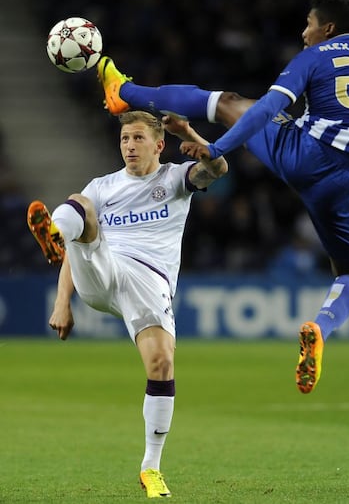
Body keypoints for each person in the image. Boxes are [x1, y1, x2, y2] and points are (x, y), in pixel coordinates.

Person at [96, 0, 349, 395]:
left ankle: (125, 92)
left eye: (309, 24)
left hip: (306, 156)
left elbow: (263, 111)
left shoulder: (316, 56)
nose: (303, 32)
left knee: (227, 103)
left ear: (327, 28)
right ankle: (320, 329)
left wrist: (217, 147)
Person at [27, 111, 228, 498]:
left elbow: (217, 167)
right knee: (82, 207)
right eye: (124, 140)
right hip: (103, 270)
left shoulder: (174, 178)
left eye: (137, 139)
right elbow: (77, 250)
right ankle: (54, 229)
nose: (129, 146)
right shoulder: (103, 185)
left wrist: (188, 130)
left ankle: (151, 468)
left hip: (149, 280)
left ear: (158, 145)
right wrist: (61, 302)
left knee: (162, 363)